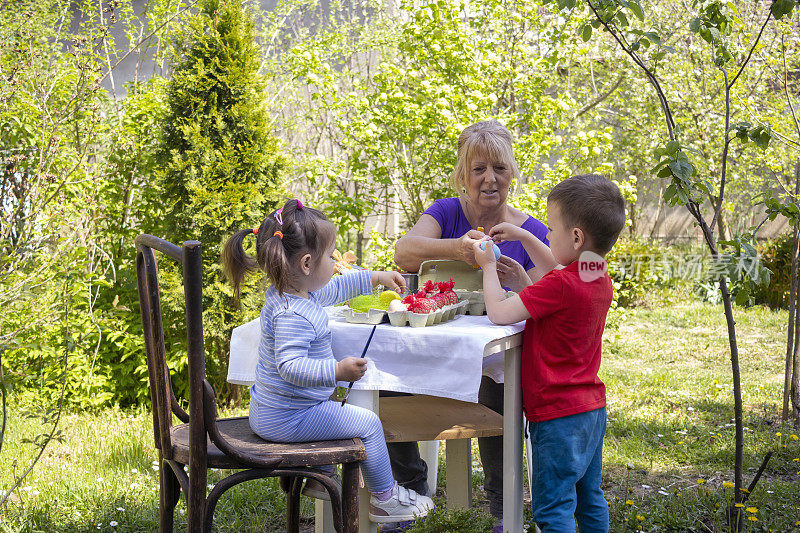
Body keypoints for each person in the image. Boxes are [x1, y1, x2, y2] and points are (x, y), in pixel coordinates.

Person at [222, 199, 435, 523]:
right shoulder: (293, 313)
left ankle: (319, 475)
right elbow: (290, 366)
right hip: (287, 418)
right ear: (307, 263)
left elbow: (334, 289)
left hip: (276, 410)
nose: (335, 264)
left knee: (335, 407)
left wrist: (375, 276)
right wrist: (336, 371)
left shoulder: (293, 293)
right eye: (331, 256)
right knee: (367, 423)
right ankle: (385, 499)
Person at [392, 120, 549, 531]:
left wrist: (520, 281)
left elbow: (550, 293)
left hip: (498, 353)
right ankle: (408, 490)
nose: (489, 179)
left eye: (498, 167)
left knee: (496, 388)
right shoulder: (446, 212)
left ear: (512, 173)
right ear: (463, 175)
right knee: (385, 377)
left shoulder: (528, 230)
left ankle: (502, 509)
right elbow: (404, 252)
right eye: (478, 169)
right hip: (433, 346)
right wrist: (458, 248)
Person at [473, 174, 625, 532]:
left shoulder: (559, 285)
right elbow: (558, 272)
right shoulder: (598, 274)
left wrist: (488, 267)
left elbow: (498, 312)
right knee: (590, 499)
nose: (548, 236)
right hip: (590, 410)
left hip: (555, 418)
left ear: (576, 237)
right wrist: (525, 236)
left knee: (553, 508)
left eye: (551, 230)